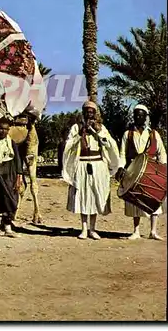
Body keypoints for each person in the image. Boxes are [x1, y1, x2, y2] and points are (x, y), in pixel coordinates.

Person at [62, 100, 121, 240]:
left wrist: (98, 132)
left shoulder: (101, 127)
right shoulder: (76, 127)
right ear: (83, 113)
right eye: (87, 111)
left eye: (91, 111)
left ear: (95, 113)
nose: (89, 114)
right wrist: (81, 133)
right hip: (82, 164)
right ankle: (83, 228)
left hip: (97, 165)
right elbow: (68, 145)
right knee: (83, 196)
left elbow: (110, 144)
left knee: (94, 197)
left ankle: (93, 229)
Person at [116, 104, 167, 240]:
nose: (138, 117)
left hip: (152, 170)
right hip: (133, 169)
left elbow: (162, 153)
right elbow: (122, 153)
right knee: (135, 201)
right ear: (133, 116)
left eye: (141, 115)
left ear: (145, 117)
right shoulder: (128, 134)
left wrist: (163, 169)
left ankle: (153, 231)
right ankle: (136, 231)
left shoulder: (154, 133)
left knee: (155, 199)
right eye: (136, 114)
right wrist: (121, 167)